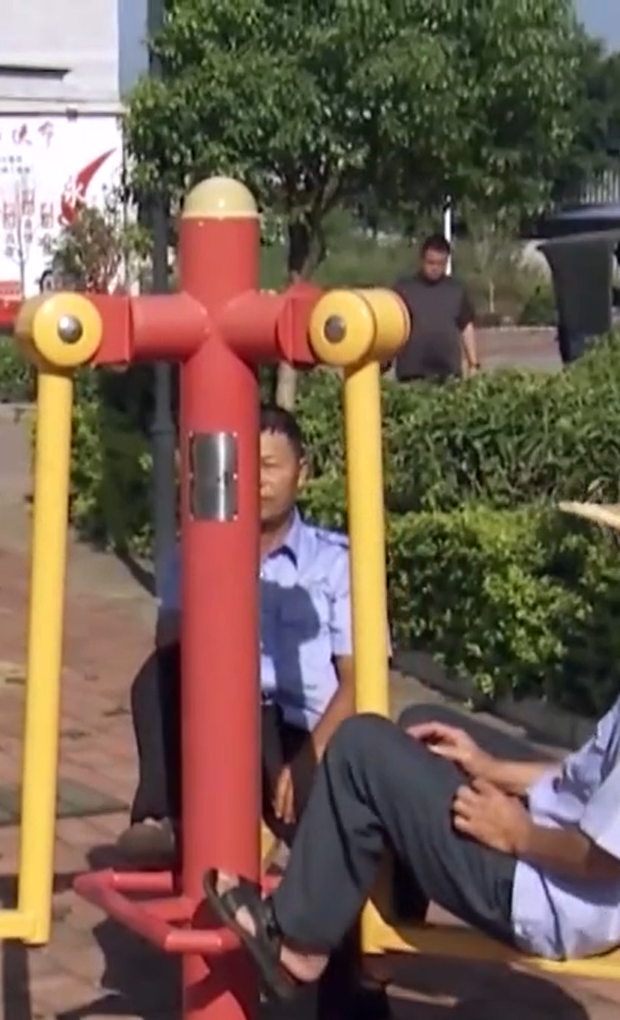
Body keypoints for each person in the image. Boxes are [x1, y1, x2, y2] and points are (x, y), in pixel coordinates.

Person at [201, 452, 620, 1020]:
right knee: (416, 734)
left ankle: (297, 944)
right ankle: (362, 975)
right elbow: (618, 784)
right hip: (585, 879)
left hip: (554, 895)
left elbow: (614, 852)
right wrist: (492, 768)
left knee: (359, 749)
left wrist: (515, 833)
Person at [118, 405, 379, 861]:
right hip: (229, 720)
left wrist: (311, 755)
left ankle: (274, 834)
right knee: (161, 673)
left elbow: (360, 678)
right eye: (243, 468)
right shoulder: (195, 552)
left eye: (270, 466)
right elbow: (170, 645)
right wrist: (215, 567)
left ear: (302, 474)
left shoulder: (336, 562)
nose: (257, 480)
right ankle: (161, 819)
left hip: (305, 731)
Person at [392, 235, 479, 382]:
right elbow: (392, 326)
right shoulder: (404, 289)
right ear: (422, 260)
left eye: (441, 263)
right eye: (431, 262)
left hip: (448, 373)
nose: (435, 268)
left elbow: (466, 326)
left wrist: (473, 364)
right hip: (411, 373)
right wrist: (384, 361)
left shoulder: (456, 290)